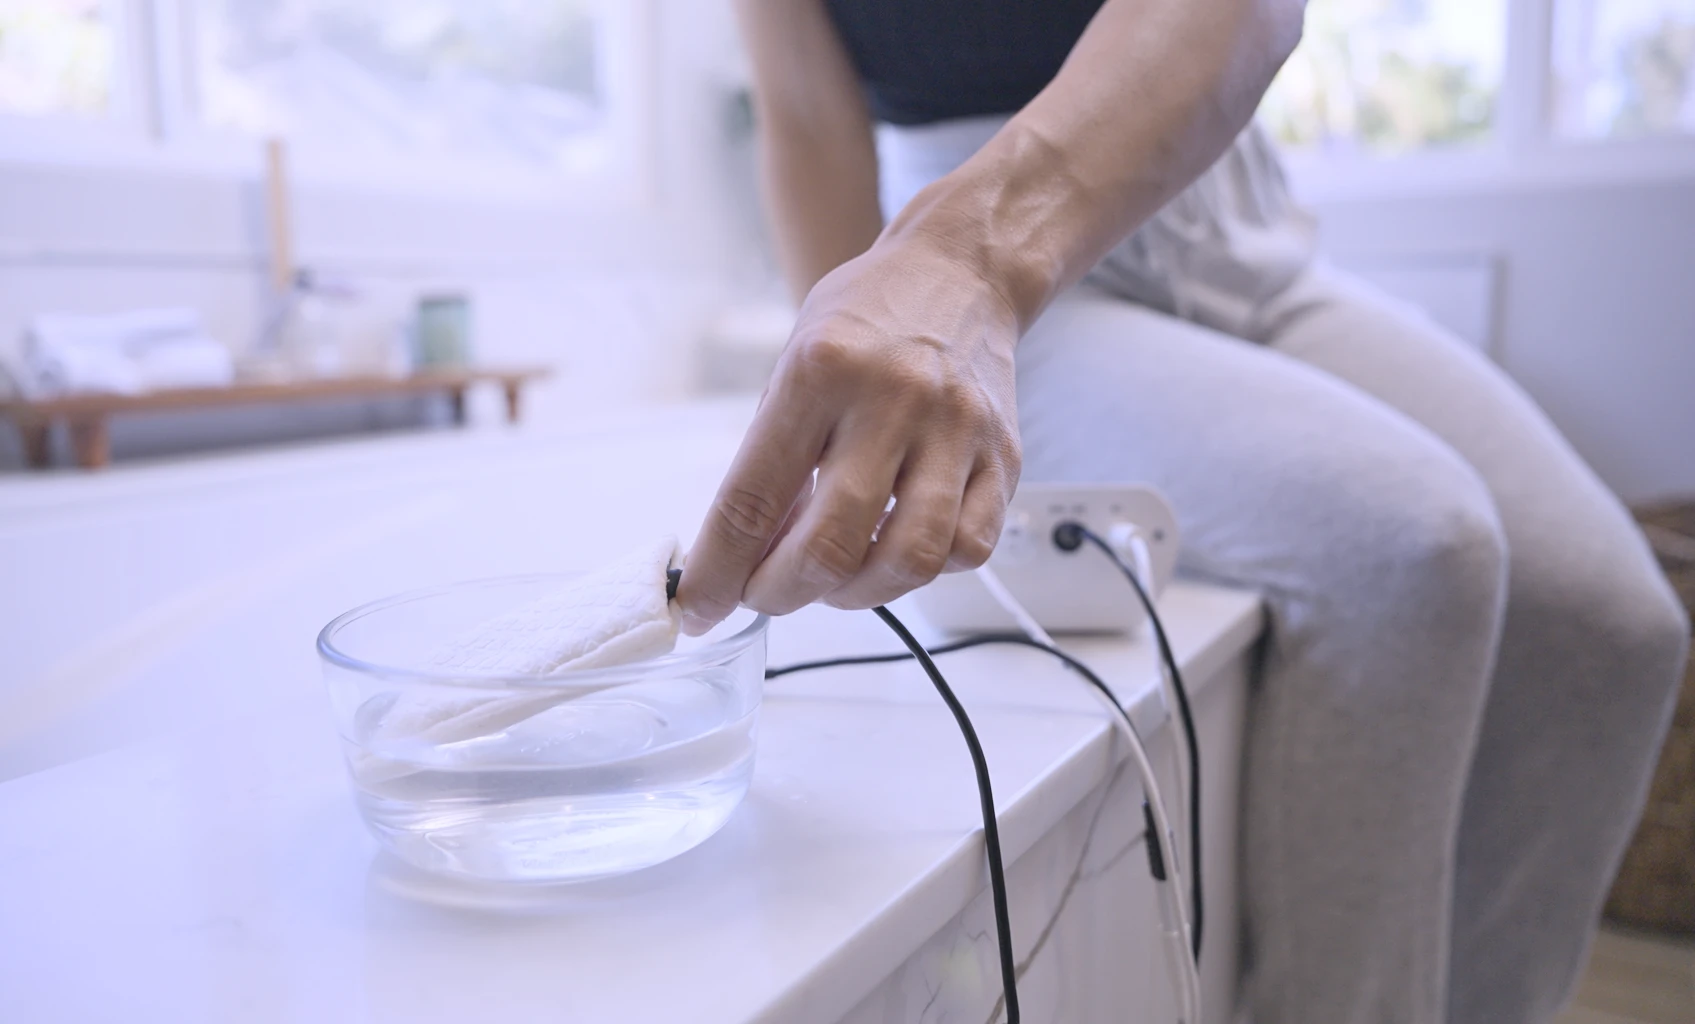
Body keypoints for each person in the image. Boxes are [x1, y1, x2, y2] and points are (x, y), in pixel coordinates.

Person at [672, 1, 1691, 1022]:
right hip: (1021, 296)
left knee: (1607, 623)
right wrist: (874, 376)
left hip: (1236, 227)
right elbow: (804, 110)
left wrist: (966, 255)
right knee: (1412, 550)